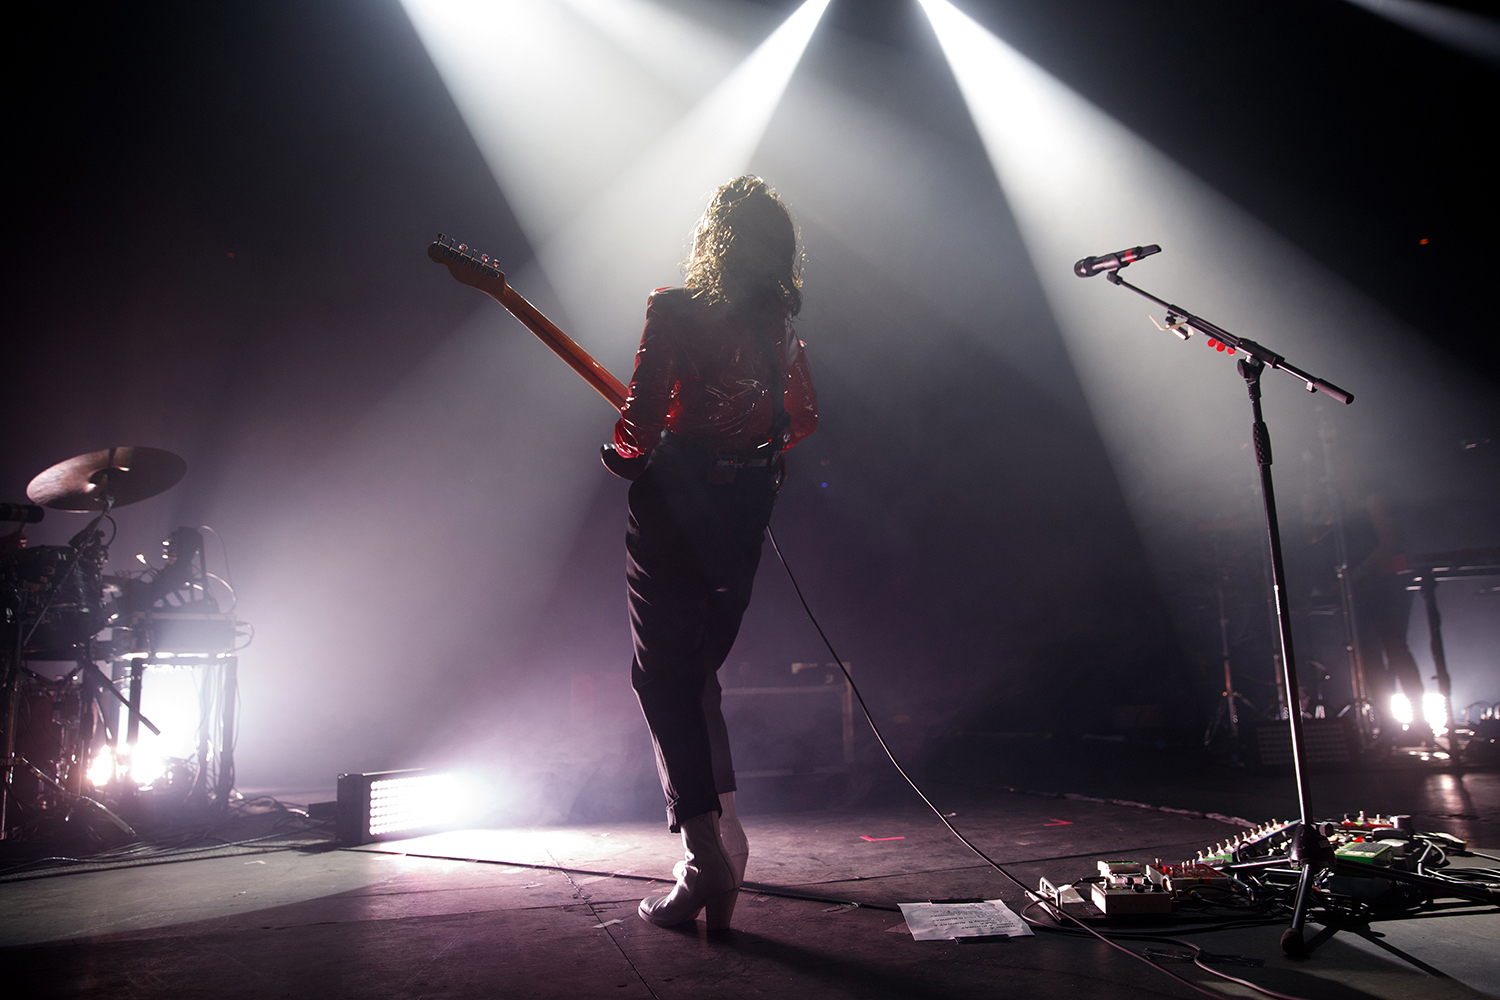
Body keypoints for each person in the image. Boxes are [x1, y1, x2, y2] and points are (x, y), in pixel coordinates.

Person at [611, 176, 817, 930]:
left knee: (661, 675)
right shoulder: (780, 327)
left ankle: (706, 860)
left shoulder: (675, 309)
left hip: (676, 506)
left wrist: (624, 451)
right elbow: (801, 418)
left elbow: (637, 424)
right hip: (745, 507)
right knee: (695, 673)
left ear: (715, 240)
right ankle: (727, 841)